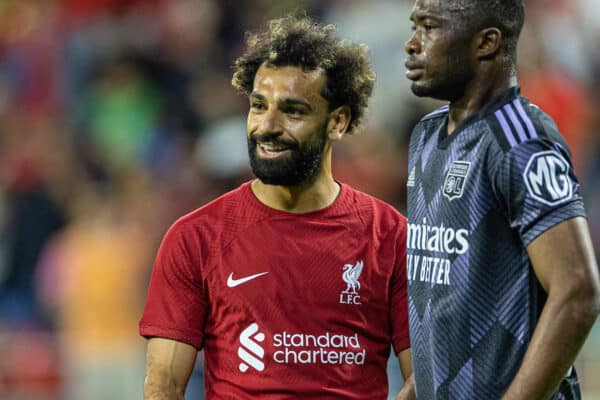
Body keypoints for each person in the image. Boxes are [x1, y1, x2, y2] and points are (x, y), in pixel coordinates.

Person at [140, 14, 415, 399]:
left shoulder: (391, 235)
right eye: (258, 106)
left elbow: (425, 378)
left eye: (293, 111)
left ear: (337, 121)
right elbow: (163, 386)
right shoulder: (195, 238)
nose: (266, 125)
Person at [403, 0, 600, 399]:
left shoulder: (520, 139)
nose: (411, 44)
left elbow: (578, 289)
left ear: (486, 42)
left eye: (429, 27)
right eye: (414, 27)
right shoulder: (425, 134)